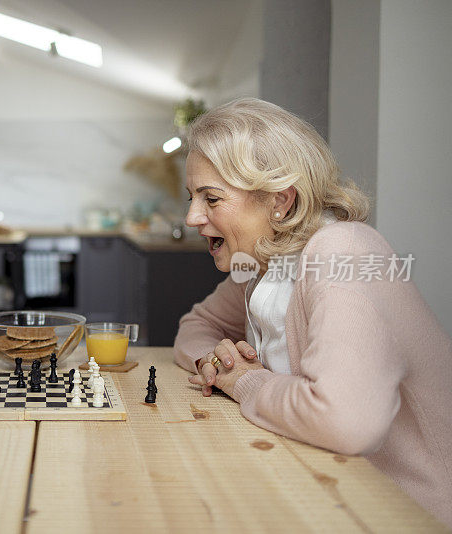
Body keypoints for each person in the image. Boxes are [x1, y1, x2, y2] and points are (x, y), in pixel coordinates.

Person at [173, 98, 452, 526]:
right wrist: (216, 361)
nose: (192, 217)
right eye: (193, 197)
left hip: (407, 514)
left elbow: (345, 422)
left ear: (280, 200)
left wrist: (245, 381)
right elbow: (198, 326)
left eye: (211, 199)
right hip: (324, 491)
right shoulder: (261, 259)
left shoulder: (344, 251)